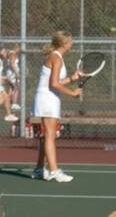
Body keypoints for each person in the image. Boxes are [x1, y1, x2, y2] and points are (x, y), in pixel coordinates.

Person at [31, 30, 82, 183]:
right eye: (71, 41)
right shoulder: (56, 58)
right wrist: (72, 93)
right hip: (47, 99)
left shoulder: (55, 56)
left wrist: (72, 78)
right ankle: (54, 171)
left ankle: (39, 169)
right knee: (51, 135)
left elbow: (54, 82)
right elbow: (53, 84)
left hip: (48, 98)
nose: (72, 43)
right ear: (65, 44)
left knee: (48, 135)